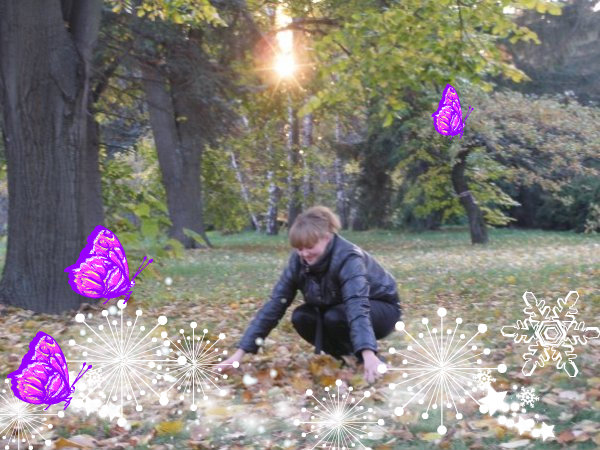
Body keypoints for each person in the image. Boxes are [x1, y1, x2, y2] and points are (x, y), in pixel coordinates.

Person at [216, 206, 402, 383]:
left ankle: (367, 360)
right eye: (299, 248)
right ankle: (344, 357)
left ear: (327, 237)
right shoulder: (298, 261)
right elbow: (274, 306)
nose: (304, 254)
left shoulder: (349, 258)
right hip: (338, 309)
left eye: (309, 247)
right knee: (302, 316)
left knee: (334, 316)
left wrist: (368, 353)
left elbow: (357, 306)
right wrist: (239, 354)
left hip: (381, 310)